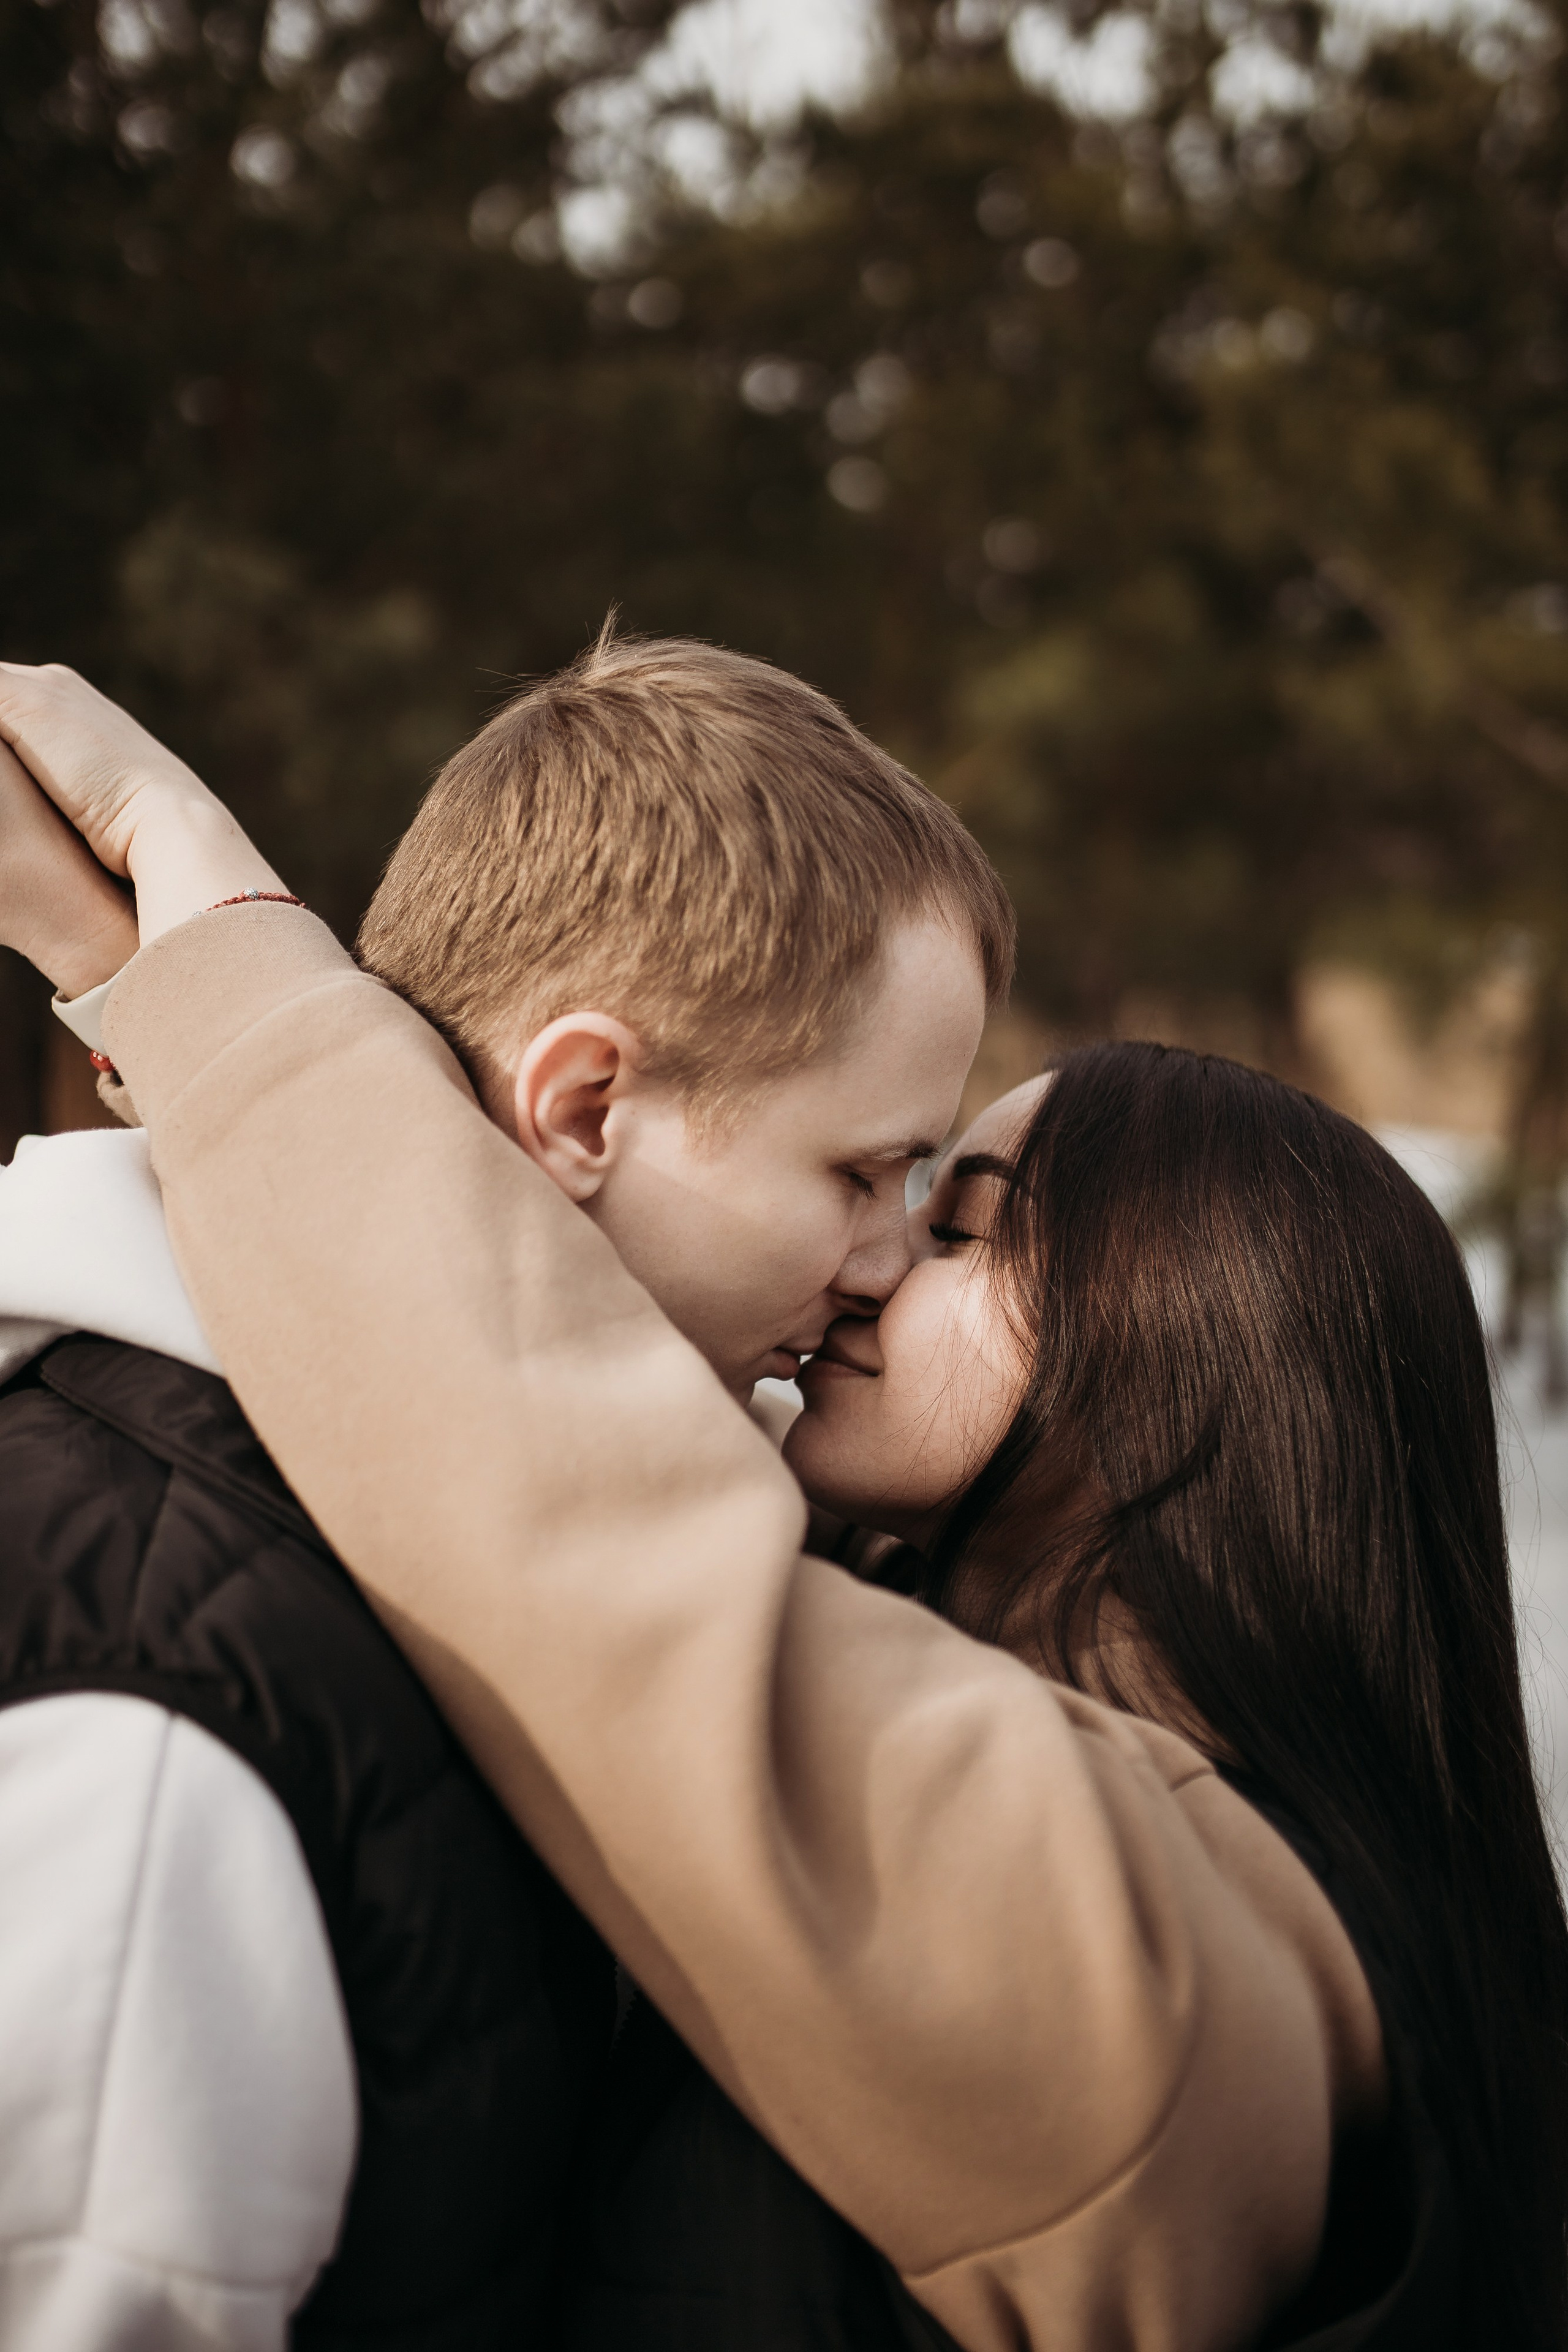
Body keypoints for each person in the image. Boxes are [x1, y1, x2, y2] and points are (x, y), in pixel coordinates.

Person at [10, 666, 1568, 2352]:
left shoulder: (1178, 1984)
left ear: (1185, 1378)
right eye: (868, 1179)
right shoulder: (1204, 1833)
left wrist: (208, 975)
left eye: (954, 1220)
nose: (881, 1263)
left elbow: (597, 1528)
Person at [0, 641, 1011, 2351]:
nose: (886, 1264)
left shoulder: (491, 1550)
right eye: (861, 1171)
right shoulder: (164, 1704)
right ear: (587, 1104)